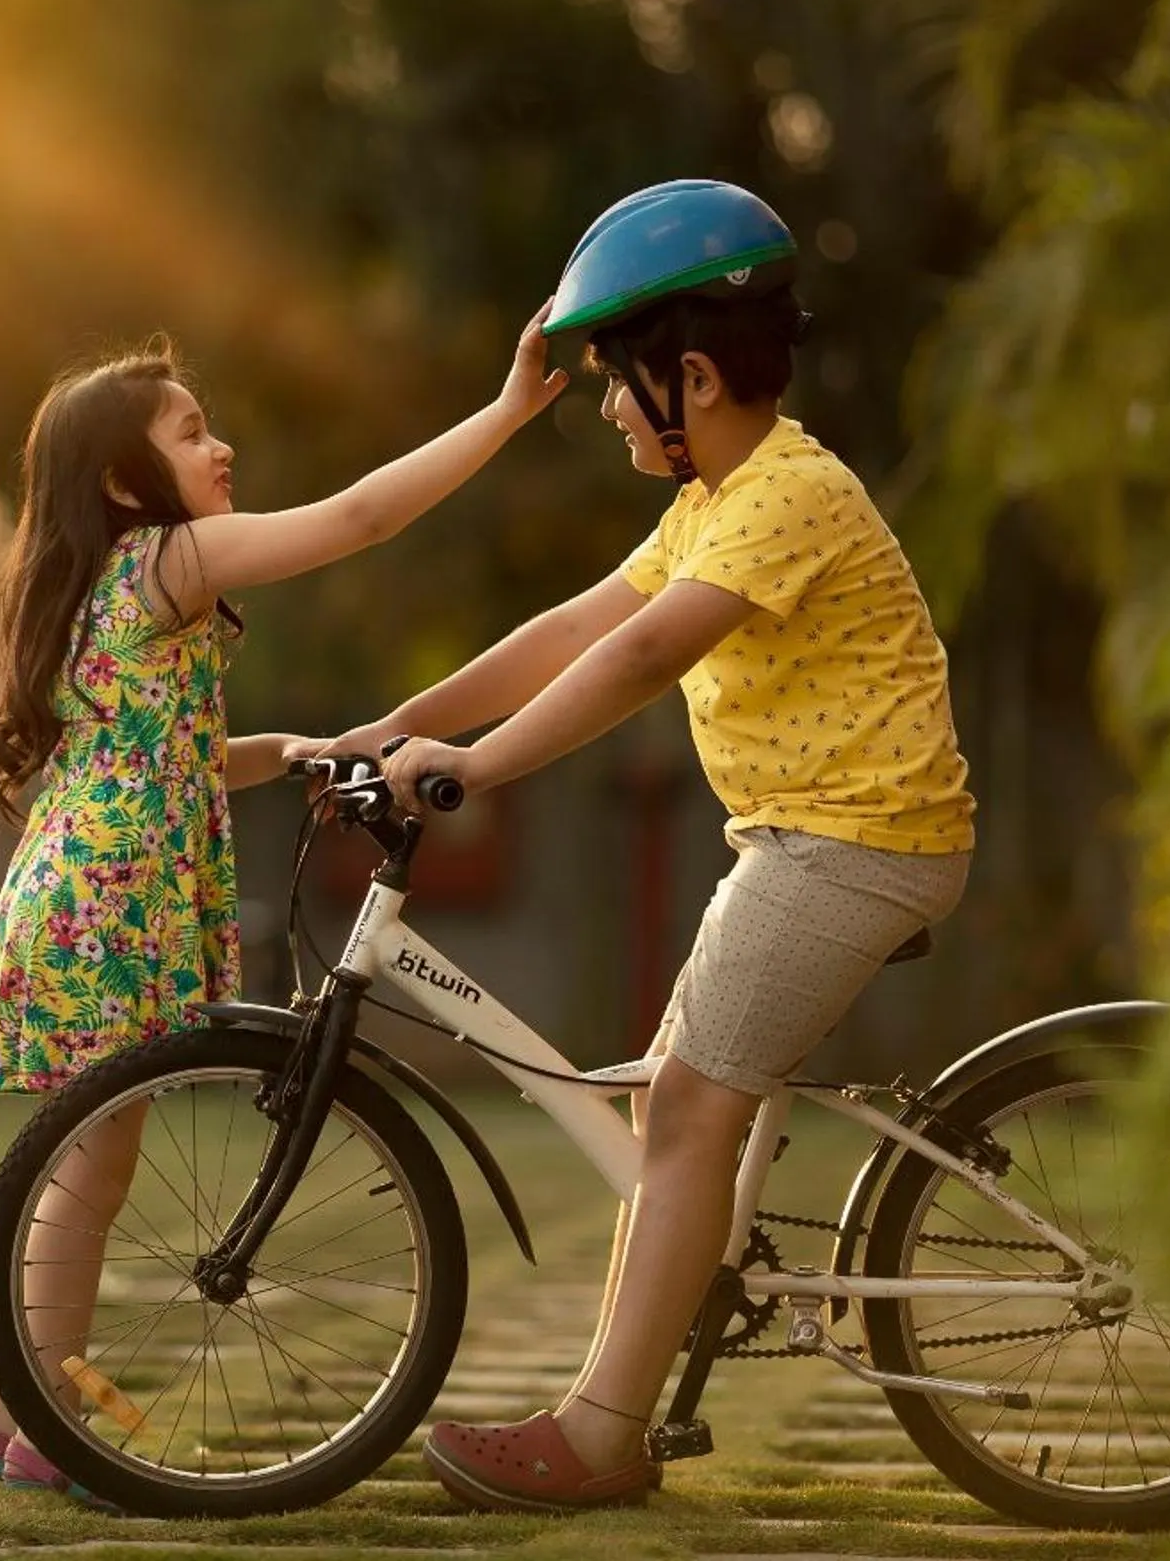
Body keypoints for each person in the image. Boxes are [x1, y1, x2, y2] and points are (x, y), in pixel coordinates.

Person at [322, 180, 977, 1512]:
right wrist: (402, 722)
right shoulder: (716, 497)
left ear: (692, 374)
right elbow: (573, 623)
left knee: (680, 1109)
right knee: (668, 1107)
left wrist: (478, 766)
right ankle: (639, 1368)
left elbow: (637, 655)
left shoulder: (786, 491)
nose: (611, 409)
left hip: (854, 845)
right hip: (802, 842)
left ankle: (599, 1434)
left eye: (622, 383)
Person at [0, 307, 571, 1503]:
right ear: (121, 478)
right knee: (94, 1165)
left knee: (89, 1157)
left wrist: (287, 748)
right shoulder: (167, 559)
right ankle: (49, 1422)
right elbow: (360, 519)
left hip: (76, 882)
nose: (220, 448)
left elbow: (160, 749)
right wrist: (504, 412)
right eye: (192, 434)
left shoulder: (100, 582)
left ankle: (9, 1411)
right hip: (116, 893)